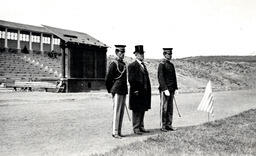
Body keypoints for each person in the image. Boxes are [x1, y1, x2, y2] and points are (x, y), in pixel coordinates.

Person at [105, 45, 128, 139]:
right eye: (120, 52)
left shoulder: (123, 64)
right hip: (117, 90)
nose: (122, 54)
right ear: (116, 53)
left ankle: (119, 131)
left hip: (123, 90)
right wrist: (111, 90)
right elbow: (108, 79)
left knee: (121, 111)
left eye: (123, 52)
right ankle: (115, 132)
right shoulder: (113, 64)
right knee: (116, 112)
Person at [128, 45, 151, 135]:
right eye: (141, 54)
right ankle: (136, 127)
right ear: (136, 54)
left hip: (144, 92)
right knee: (136, 110)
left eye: (143, 54)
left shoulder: (143, 66)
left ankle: (141, 126)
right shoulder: (132, 65)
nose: (142, 55)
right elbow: (131, 79)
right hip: (136, 92)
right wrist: (135, 90)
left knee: (142, 109)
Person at [157, 48, 178, 132]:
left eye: (170, 54)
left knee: (170, 108)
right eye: (168, 54)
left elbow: (174, 77)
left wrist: (175, 88)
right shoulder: (161, 64)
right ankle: (163, 125)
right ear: (164, 54)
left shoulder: (171, 65)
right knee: (164, 108)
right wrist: (165, 89)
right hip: (165, 90)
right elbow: (160, 78)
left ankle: (169, 124)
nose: (170, 55)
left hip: (171, 89)